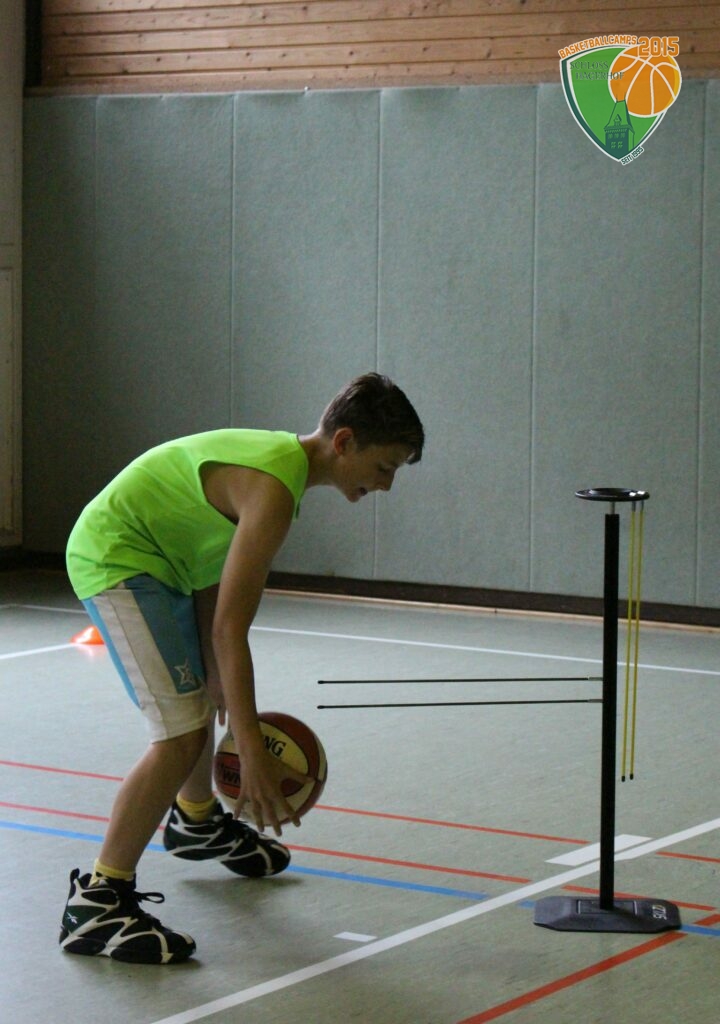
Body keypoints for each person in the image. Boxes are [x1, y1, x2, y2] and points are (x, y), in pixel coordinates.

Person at [59, 372, 424, 964]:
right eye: (385, 467)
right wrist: (249, 748)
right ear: (344, 442)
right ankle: (97, 902)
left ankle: (195, 821)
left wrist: (217, 677)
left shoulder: (280, 472)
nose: (385, 484)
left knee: (203, 698)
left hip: (165, 565)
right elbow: (232, 628)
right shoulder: (273, 487)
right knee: (179, 735)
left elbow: (213, 577)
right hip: (118, 557)